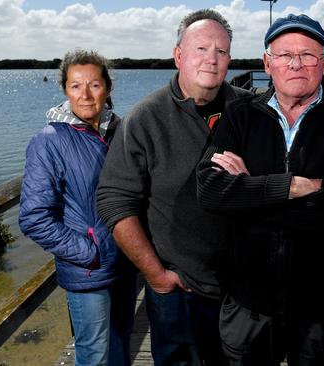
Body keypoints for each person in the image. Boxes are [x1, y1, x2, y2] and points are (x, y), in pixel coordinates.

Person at [196, 13, 324, 366]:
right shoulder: (240, 115)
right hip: (249, 304)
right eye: (284, 55)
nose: (296, 64)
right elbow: (211, 189)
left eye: (308, 55)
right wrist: (290, 186)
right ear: (267, 63)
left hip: (322, 306)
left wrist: (248, 192)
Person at [96, 9, 251, 366]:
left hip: (241, 290)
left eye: (222, 51)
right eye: (201, 48)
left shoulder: (250, 110)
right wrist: (156, 275)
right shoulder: (143, 120)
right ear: (179, 54)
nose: (212, 59)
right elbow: (114, 201)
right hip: (179, 291)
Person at [19, 49, 137, 366]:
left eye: (94, 85)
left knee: (121, 341)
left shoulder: (122, 132)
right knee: (94, 353)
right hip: (89, 270)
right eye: (75, 86)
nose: (85, 95)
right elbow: (33, 217)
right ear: (65, 90)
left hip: (126, 262)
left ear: (108, 88)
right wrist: (90, 251)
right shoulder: (48, 141)